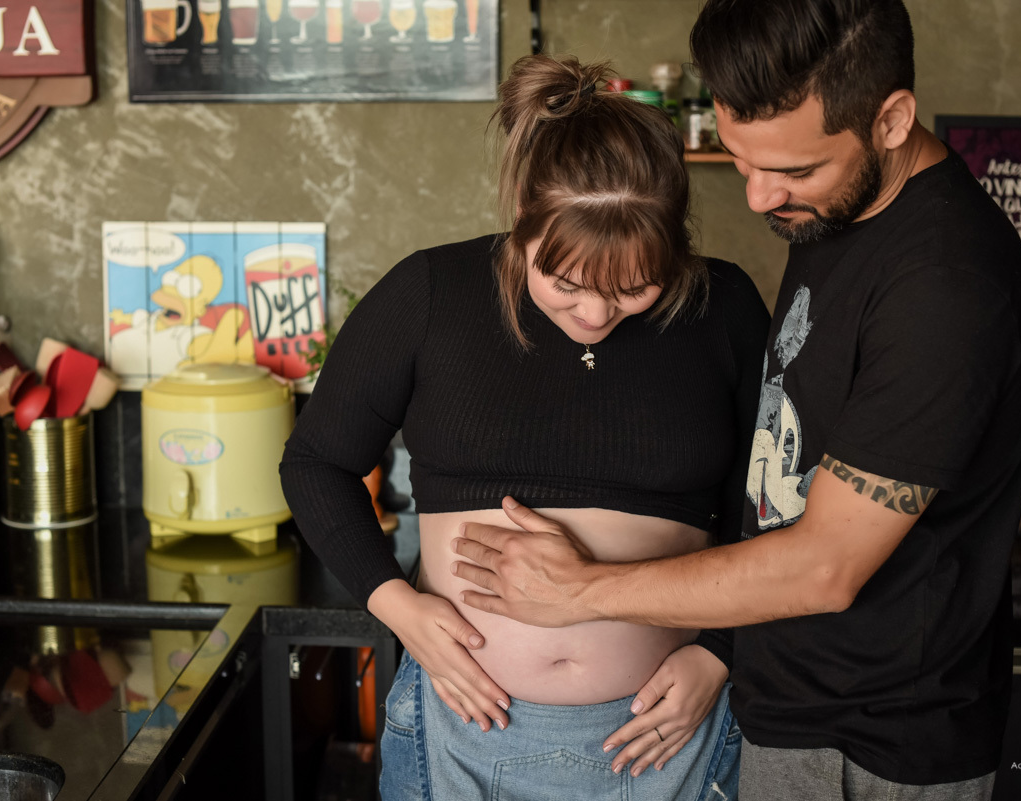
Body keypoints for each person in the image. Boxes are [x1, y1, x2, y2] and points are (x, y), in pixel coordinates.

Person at [450, 2, 1021, 800]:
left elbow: (826, 566)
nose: (761, 198)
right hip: (790, 708)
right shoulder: (836, 215)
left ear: (893, 119)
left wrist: (578, 591)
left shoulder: (945, 288)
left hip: (879, 744)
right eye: (741, 159)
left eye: (794, 171)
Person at [279, 54, 769, 800]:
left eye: (635, 286)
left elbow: (766, 506)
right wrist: (397, 604)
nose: (597, 315)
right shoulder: (429, 294)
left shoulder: (723, 307)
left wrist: (720, 653)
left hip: (672, 735)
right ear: (522, 218)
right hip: (462, 732)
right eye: (565, 283)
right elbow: (316, 461)